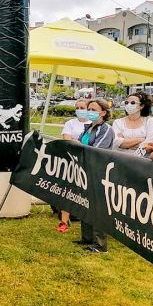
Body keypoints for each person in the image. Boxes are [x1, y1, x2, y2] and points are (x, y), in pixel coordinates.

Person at [74, 99, 115, 253]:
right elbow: (78, 144)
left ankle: (100, 244)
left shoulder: (106, 129)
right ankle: (87, 238)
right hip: (84, 171)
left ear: (103, 112)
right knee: (84, 203)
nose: (89, 112)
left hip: (98, 172)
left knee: (98, 208)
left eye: (93, 109)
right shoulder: (88, 128)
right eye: (88, 109)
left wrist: (80, 149)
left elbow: (97, 150)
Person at [55, 99, 91, 233]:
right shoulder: (70, 123)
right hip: (72, 162)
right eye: (77, 107)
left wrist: (77, 142)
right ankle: (64, 221)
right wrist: (81, 143)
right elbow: (67, 141)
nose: (79, 110)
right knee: (69, 190)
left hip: (89, 163)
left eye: (83, 107)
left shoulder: (93, 125)